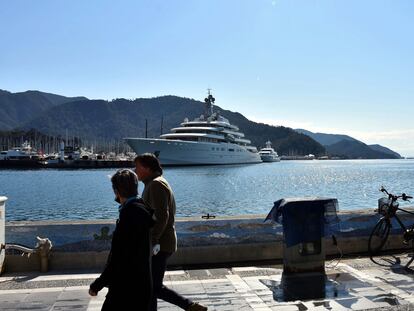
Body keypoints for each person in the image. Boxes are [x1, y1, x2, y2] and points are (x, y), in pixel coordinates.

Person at [134, 153, 208, 311]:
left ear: (147, 168)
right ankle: (190, 306)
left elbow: (162, 215)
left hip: (160, 244)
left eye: (137, 167)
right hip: (161, 242)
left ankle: (189, 306)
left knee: (152, 287)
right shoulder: (153, 183)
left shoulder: (156, 184)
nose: (135, 170)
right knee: (152, 287)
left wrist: (152, 240)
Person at [89, 169, 155, 310]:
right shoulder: (143, 210)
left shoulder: (129, 215)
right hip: (142, 284)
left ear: (116, 191)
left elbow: (119, 257)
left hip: (126, 288)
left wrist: (97, 284)